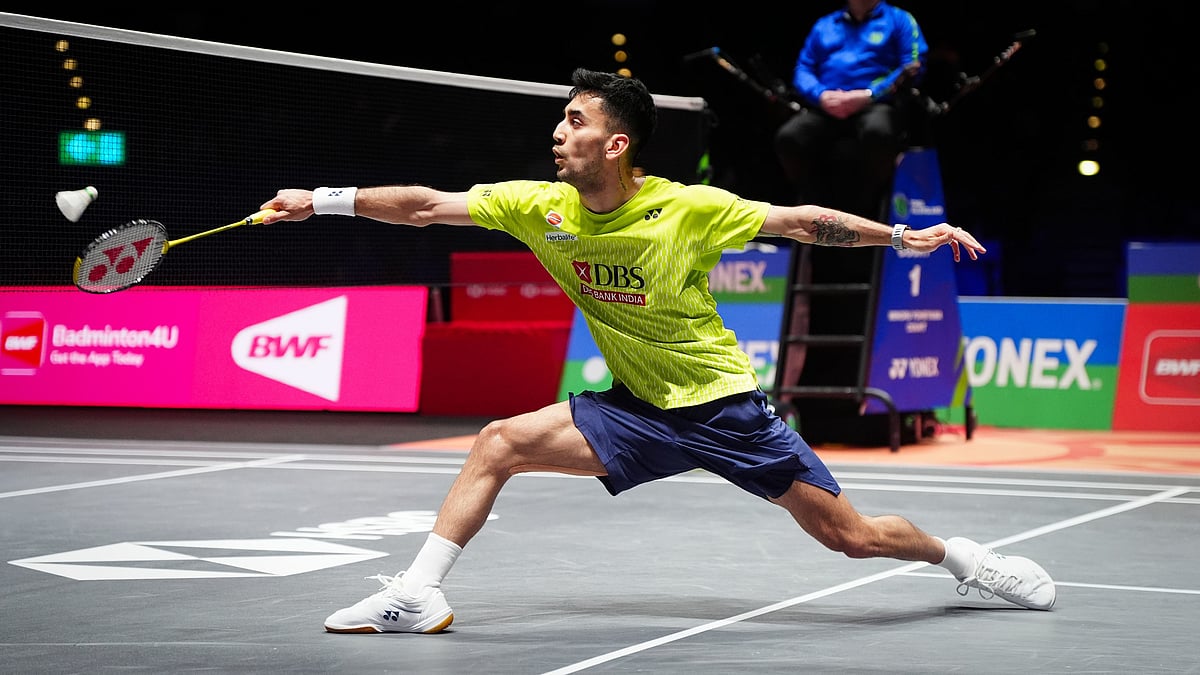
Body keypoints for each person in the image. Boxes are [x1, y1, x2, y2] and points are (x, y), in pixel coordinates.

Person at [258, 67, 1055, 635]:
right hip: (635, 408)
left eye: (576, 121)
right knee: (498, 441)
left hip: (724, 410)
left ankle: (964, 559)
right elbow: (428, 206)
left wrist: (902, 237)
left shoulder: (687, 209)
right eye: (562, 118)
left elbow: (799, 221)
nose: (558, 131)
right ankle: (416, 594)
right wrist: (320, 201)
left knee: (853, 536)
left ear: (616, 144)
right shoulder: (539, 207)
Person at [773, 0, 929, 220]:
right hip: (828, 105)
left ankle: (867, 207)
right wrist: (820, 95)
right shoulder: (825, 24)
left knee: (878, 132)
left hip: (875, 104)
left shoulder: (900, 19)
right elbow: (803, 68)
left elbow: (912, 65)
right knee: (789, 137)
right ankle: (814, 204)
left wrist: (869, 94)